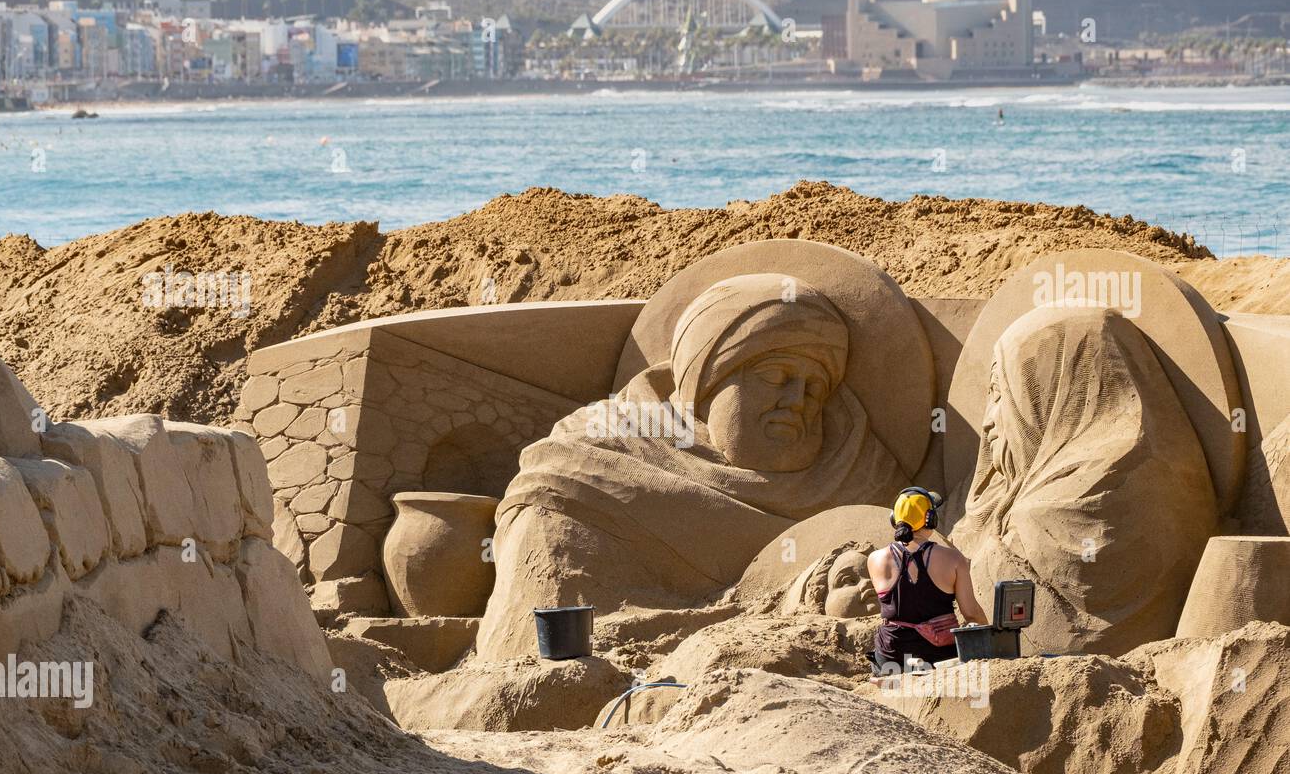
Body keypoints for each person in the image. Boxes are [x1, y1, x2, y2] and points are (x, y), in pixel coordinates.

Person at [477, 272, 909, 661]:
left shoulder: (859, 472)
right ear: (707, 382)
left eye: (815, 388)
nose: (797, 401)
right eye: (776, 377)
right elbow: (540, 642)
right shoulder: (585, 462)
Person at [950, 304, 1217, 655]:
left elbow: (976, 609)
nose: (988, 421)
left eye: (1000, 392)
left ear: (1054, 385)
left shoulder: (1052, 512)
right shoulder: (1180, 473)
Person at [868, 487, 989, 670]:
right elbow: (971, 613)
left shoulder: (875, 559)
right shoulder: (954, 559)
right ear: (930, 519)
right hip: (939, 655)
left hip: (892, 656)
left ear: (895, 520)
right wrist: (989, 637)